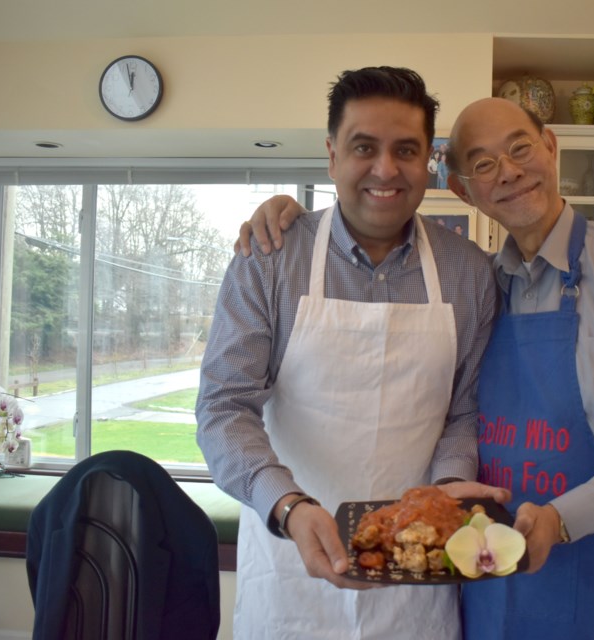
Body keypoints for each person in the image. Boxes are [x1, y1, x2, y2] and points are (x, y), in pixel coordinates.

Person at [238, 97, 594, 640]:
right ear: (464, 189)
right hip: (488, 565)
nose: (509, 171)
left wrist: (561, 519)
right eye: (483, 164)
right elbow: (463, 413)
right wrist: (289, 214)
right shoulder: (485, 282)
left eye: (520, 148)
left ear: (550, 147)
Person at [197, 67, 498, 640]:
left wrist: (447, 489)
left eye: (405, 150)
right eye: (364, 147)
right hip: (290, 569)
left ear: (429, 162)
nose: (385, 170)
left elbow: (465, 411)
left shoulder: (469, 272)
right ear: (332, 154)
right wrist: (287, 505)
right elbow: (222, 407)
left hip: (416, 576)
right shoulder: (270, 259)